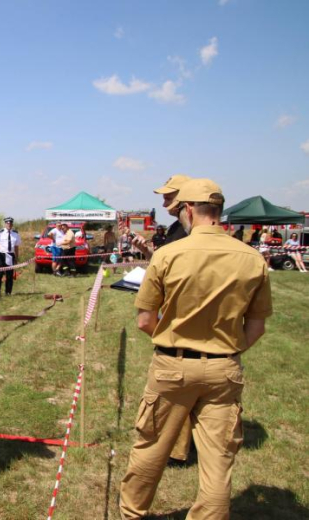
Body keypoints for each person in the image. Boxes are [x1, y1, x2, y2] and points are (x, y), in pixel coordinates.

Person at [120, 178, 272, 519]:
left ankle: (132, 513)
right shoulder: (252, 258)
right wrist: (226, 350)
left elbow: (145, 321)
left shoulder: (167, 254)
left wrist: (176, 343)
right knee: (218, 462)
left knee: (151, 449)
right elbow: (257, 326)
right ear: (217, 211)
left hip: (172, 366)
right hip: (225, 370)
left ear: (188, 210)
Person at [131, 175, 195, 465]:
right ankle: (179, 446)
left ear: (186, 199)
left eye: (169, 196)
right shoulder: (176, 228)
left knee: (174, 390)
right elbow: (165, 264)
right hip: (176, 315)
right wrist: (146, 251)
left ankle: (174, 450)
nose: (163, 201)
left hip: (180, 320)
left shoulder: (188, 232)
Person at [0, 217, 21, 296]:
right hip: (1, 254)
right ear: (5, 224)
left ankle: (8, 292)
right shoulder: (0, 232)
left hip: (10, 255)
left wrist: (16, 258)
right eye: (7, 223)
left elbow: (16, 247)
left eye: (10, 223)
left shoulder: (15, 233)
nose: (9, 225)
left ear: (12, 224)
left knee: (9, 275)